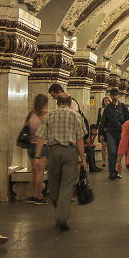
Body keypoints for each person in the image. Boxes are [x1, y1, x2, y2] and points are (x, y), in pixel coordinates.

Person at [34, 95, 88, 231]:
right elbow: (80, 140)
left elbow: (41, 137)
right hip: (70, 152)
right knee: (67, 184)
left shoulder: (49, 116)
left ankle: (59, 208)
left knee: (54, 183)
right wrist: (83, 159)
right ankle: (62, 216)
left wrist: (37, 155)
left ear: (57, 103)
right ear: (70, 103)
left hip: (53, 152)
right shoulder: (76, 116)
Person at [98, 88, 129, 180]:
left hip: (120, 133)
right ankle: (112, 172)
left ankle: (116, 172)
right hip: (110, 132)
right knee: (112, 152)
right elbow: (103, 121)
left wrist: (124, 124)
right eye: (112, 95)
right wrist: (101, 134)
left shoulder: (122, 107)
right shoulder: (108, 108)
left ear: (118, 96)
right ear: (111, 96)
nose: (114, 96)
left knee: (119, 153)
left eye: (116, 95)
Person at [25, 93, 50, 204]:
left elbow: (26, 128)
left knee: (34, 172)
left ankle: (30, 195)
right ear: (45, 103)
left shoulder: (31, 114)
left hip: (30, 146)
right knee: (40, 172)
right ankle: (39, 196)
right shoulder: (45, 115)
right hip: (42, 146)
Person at [97, 95, 111, 164]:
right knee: (103, 146)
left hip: (109, 130)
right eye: (105, 100)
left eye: (108, 100)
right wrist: (98, 128)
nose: (107, 102)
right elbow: (99, 119)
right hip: (102, 129)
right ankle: (103, 160)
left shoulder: (112, 109)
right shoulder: (101, 109)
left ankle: (110, 159)